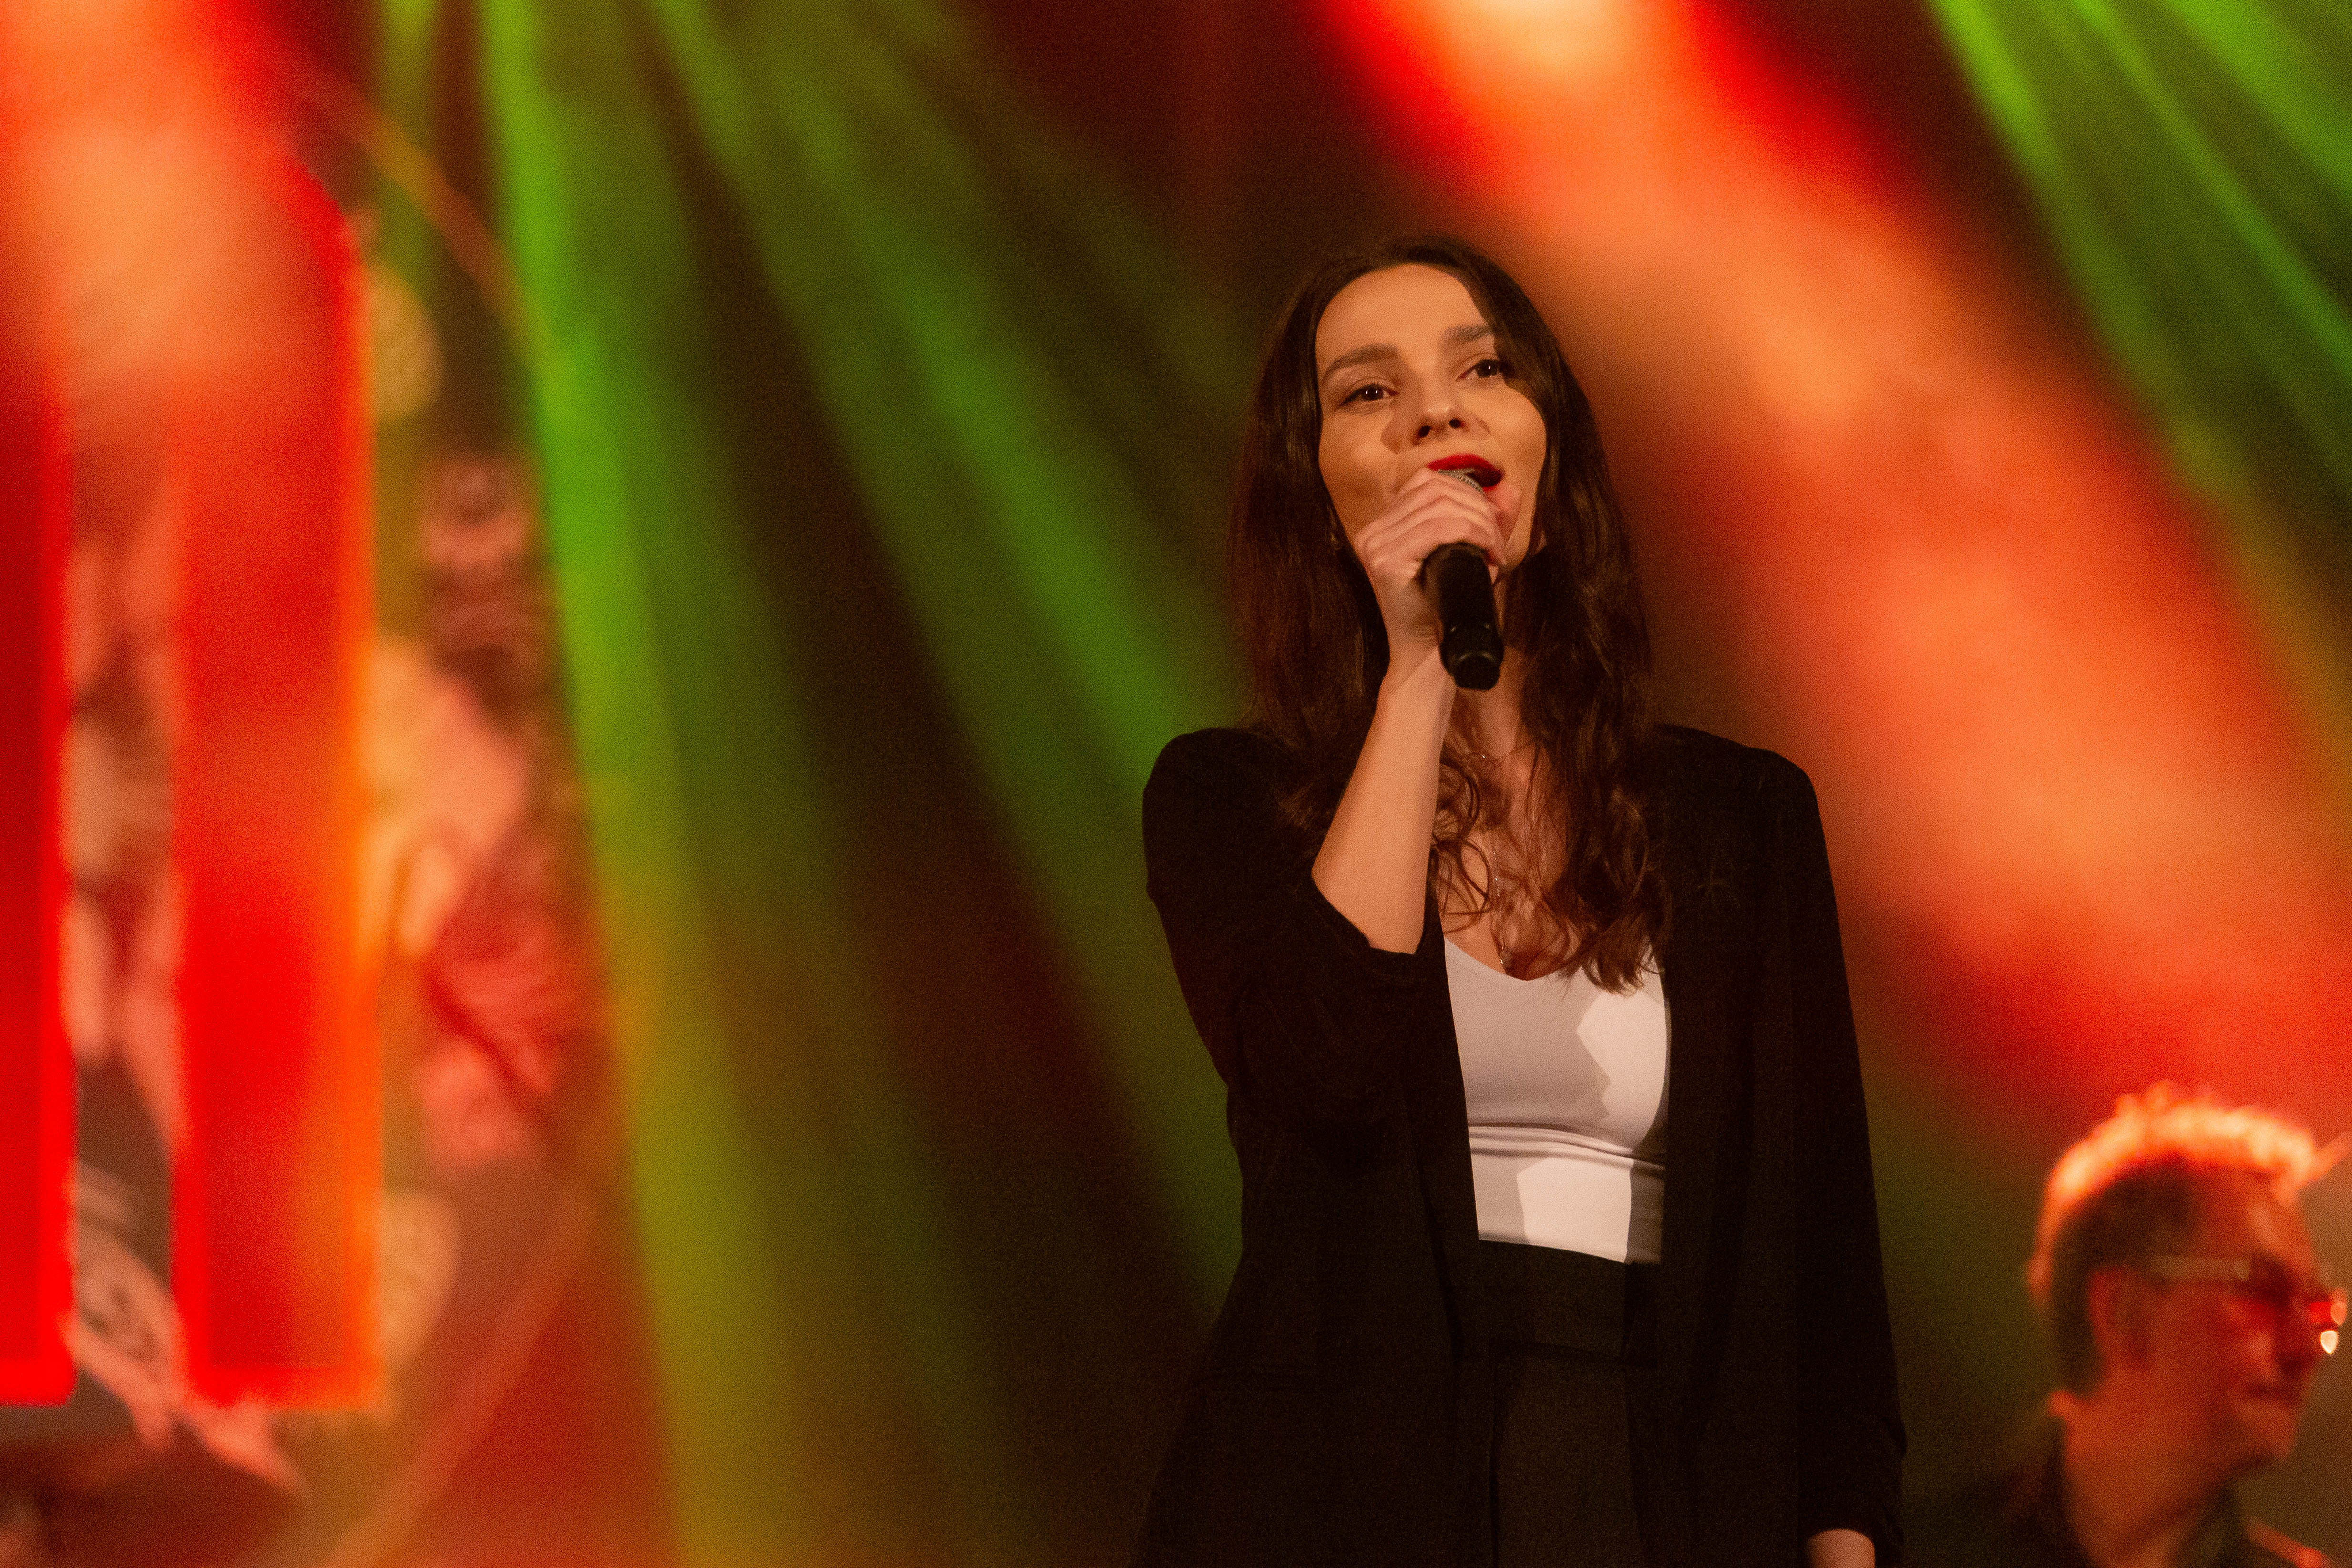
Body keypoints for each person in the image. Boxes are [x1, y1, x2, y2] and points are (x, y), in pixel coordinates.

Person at [1134, 236, 1903, 1568]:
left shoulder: (1742, 818)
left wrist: (1844, 1544)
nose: (1433, 411)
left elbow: (1824, 1261)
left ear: (1549, 454)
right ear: (1316, 496)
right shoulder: (1230, 801)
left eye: (1480, 370)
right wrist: (1418, 670)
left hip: (1661, 1482)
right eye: (1367, 392)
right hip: (1344, 1495)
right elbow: (1320, 1061)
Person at [1910, 1087, 2343, 1568]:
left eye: (2317, 1305)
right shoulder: (1908, 1549)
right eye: (2262, 1289)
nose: (2306, 1347)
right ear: (2119, 1308)